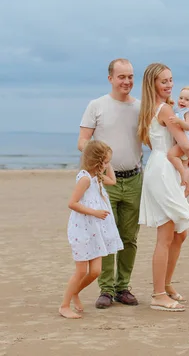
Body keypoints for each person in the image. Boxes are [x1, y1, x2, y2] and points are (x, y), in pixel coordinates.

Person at [77, 58, 143, 309]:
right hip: (104, 183)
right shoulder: (97, 105)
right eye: (121, 77)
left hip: (135, 178)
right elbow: (82, 141)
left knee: (129, 237)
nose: (126, 81)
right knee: (105, 236)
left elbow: (155, 135)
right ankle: (105, 289)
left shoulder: (140, 107)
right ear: (110, 79)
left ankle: (122, 287)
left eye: (130, 76)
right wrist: (102, 159)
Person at [137, 62, 189, 312]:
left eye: (171, 80)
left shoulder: (153, 108)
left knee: (179, 233)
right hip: (164, 170)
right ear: (152, 83)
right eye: (164, 81)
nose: (169, 85)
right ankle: (158, 295)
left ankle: (166, 284)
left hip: (163, 167)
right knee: (166, 236)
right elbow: (185, 145)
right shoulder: (164, 110)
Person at [59, 140, 124, 319]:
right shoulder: (85, 178)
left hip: (95, 230)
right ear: (95, 161)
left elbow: (113, 180)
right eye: (104, 162)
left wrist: (108, 164)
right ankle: (64, 305)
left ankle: (75, 292)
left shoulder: (97, 177)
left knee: (95, 271)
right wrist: (94, 212)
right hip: (82, 229)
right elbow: (72, 203)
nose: (106, 166)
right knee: (81, 270)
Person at [167, 86, 189, 196]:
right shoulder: (181, 110)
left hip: (188, 142)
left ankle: (182, 173)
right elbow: (173, 109)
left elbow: (188, 126)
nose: (182, 101)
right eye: (181, 98)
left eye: (187, 100)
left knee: (171, 155)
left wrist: (178, 121)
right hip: (186, 142)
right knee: (186, 165)